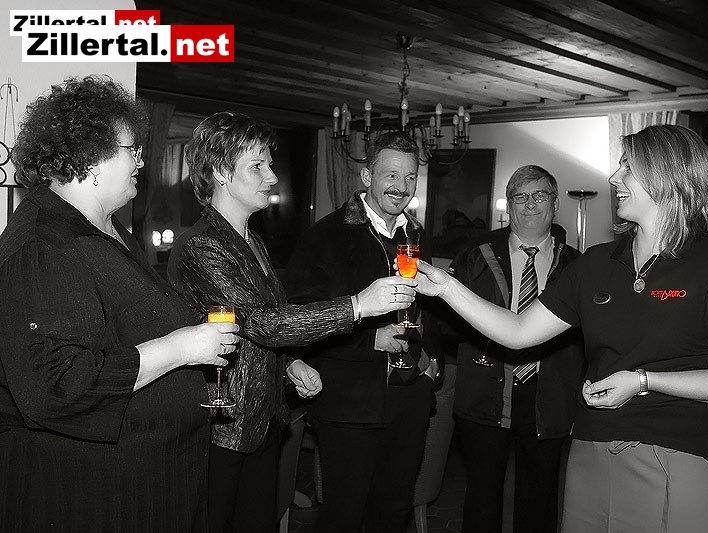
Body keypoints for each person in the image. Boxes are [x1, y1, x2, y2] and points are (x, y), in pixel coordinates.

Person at [413, 125, 708, 533]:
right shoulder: (596, 263)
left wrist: (643, 381)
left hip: (679, 452)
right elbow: (518, 331)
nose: (614, 178)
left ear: (668, 175)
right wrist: (446, 289)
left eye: (627, 167)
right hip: (591, 451)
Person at [0, 76, 240, 532]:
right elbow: (55, 386)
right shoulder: (42, 246)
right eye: (132, 149)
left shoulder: (107, 230)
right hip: (89, 497)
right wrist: (181, 348)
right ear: (91, 156)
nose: (141, 161)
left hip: (147, 485)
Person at [167, 112, 417, 533]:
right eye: (257, 166)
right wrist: (357, 305)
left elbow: (254, 329)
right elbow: (265, 324)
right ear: (220, 173)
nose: (271, 177)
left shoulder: (251, 240)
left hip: (260, 421)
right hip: (221, 428)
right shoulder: (202, 245)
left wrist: (290, 365)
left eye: (269, 165)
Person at [283, 131, 441, 533]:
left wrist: (431, 360)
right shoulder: (325, 236)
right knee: (344, 516)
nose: (401, 186)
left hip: (409, 401)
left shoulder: (416, 235)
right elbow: (301, 319)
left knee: (394, 513)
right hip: (349, 405)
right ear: (367, 176)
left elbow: (434, 310)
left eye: (410, 177)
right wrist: (370, 339)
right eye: (391, 175)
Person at [444, 165, 584, 533]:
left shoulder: (579, 265)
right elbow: (447, 322)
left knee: (540, 499)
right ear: (509, 206)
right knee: (481, 495)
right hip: (485, 392)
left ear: (555, 203)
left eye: (539, 195)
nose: (530, 204)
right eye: (520, 196)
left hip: (550, 397)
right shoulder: (475, 256)